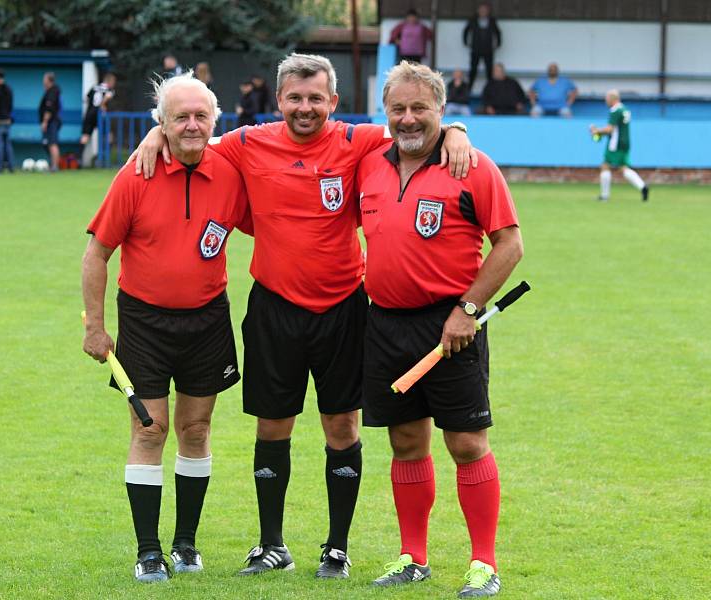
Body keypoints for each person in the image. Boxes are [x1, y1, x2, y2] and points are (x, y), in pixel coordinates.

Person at [130, 52, 477, 580]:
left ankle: (336, 548)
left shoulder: (358, 141)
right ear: (279, 101)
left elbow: (416, 132)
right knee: (273, 425)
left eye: (316, 98)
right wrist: (157, 133)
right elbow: (192, 138)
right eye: (295, 97)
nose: (305, 107)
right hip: (274, 308)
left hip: (342, 308)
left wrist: (454, 129)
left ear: (333, 102)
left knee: (342, 424)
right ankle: (272, 545)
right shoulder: (249, 142)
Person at [357, 61, 523, 597]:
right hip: (383, 324)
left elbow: (510, 246)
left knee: (467, 443)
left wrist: (467, 311)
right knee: (406, 443)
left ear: (441, 112)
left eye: (420, 108)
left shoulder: (472, 167)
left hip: (451, 326)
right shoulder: (369, 164)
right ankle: (413, 557)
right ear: (386, 112)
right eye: (398, 109)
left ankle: (484, 563)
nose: (409, 119)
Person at [81, 73, 251, 583]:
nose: (192, 125)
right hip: (144, 321)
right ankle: (148, 550)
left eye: (201, 116)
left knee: (196, 429)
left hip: (207, 318)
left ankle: (186, 545)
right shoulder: (137, 173)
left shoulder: (232, 171)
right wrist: (95, 325)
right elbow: (97, 253)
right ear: (162, 123)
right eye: (179, 117)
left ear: (216, 122)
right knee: (149, 428)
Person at [590, 90, 649, 202]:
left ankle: (604, 196)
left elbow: (610, 129)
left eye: (607, 98)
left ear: (613, 98)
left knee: (605, 165)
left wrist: (597, 131)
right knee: (624, 167)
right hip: (625, 142)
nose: (605, 101)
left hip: (615, 143)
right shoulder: (625, 109)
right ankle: (643, 187)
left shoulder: (615, 111)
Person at [80, 72, 117, 165]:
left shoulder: (94, 87)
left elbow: (85, 98)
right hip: (101, 115)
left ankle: (79, 160)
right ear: (110, 81)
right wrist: (102, 104)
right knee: (108, 135)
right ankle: (106, 159)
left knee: (85, 137)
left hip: (89, 114)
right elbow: (107, 96)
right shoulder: (110, 89)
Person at [463, 3, 501, 90]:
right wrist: (465, 42)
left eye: (485, 10)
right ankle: (469, 88)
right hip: (476, 49)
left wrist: (498, 43)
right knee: (473, 69)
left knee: (489, 70)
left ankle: (491, 89)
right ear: (478, 11)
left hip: (488, 50)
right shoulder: (473, 20)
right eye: (481, 10)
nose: (483, 12)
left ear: (488, 12)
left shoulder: (492, 20)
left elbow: (498, 32)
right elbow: (466, 31)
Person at [39, 72, 62, 171]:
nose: (43, 81)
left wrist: (45, 122)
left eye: (44, 79)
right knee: (48, 143)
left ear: (49, 80)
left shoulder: (53, 91)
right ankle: (53, 164)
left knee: (53, 143)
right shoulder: (50, 91)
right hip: (51, 121)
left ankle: (55, 166)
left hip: (51, 121)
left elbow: (49, 108)